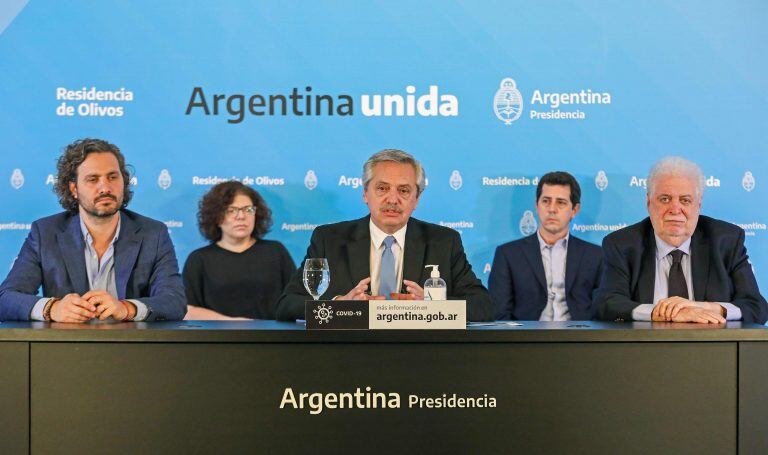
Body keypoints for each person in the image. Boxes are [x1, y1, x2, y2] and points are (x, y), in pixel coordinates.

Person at [275, 149, 494, 321]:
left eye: (404, 190)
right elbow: (287, 304)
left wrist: (434, 304)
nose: (392, 199)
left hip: (422, 357)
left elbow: (483, 306)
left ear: (416, 199)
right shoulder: (329, 239)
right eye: (382, 188)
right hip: (347, 356)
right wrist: (338, 305)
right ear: (365, 194)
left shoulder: (444, 242)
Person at [0, 138, 186, 322]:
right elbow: (6, 298)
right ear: (74, 188)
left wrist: (128, 308)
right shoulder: (45, 233)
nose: (105, 187)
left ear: (124, 181)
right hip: (66, 347)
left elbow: (174, 301)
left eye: (112, 177)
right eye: (93, 179)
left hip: (132, 347)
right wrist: (52, 309)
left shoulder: (153, 233)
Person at [596, 156, 768, 323]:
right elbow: (607, 303)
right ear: (649, 203)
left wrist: (706, 308)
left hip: (714, 349)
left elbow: (756, 307)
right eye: (665, 199)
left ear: (698, 206)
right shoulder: (622, 244)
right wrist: (661, 312)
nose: (675, 209)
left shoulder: (726, 241)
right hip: (645, 348)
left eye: (685, 200)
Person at [489, 171, 602, 320]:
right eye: (546, 201)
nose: (552, 209)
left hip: (578, 339)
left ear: (574, 210)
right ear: (537, 205)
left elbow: (602, 310)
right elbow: (499, 313)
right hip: (526, 340)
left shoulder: (595, 255)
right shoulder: (508, 254)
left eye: (561, 202)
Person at [183, 181, 295, 319]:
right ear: (216, 217)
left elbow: (295, 299)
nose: (241, 216)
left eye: (248, 209)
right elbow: (188, 309)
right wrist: (230, 323)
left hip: (274, 338)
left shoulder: (276, 252)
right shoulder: (199, 259)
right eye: (231, 210)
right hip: (218, 338)